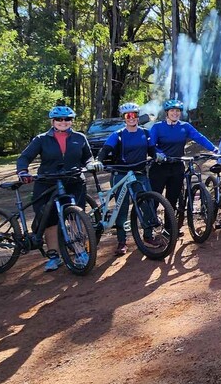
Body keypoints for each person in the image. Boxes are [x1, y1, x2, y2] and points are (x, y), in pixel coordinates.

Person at [16, 103, 94, 271]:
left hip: (73, 181)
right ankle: (53, 255)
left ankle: (80, 252)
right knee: (50, 219)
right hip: (47, 182)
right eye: (59, 119)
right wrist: (23, 172)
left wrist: (91, 164)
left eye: (67, 119)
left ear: (72, 121)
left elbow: (88, 157)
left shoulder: (80, 138)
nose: (63, 122)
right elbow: (25, 157)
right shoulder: (41, 139)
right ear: (52, 121)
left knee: (76, 217)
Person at [97, 101, 158, 256]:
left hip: (139, 173)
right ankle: (122, 242)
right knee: (121, 209)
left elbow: (152, 151)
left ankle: (148, 236)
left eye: (134, 115)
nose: (131, 118)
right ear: (123, 118)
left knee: (147, 204)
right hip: (121, 174)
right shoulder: (117, 135)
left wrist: (159, 156)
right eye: (128, 115)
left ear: (138, 117)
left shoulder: (145, 133)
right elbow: (105, 150)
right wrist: (98, 160)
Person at [149, 98, 218, 218]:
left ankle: (169, 229)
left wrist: (214, 149)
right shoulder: (157, 127)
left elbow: (199, 137)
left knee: (172, 200)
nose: (175, 113)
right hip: (160, 167)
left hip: (177, 166)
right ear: (167, 112)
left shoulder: (184, 126)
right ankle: (148, 230)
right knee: (154, 199)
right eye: (172, 111)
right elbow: (150, 145)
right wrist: (159, 153)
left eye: (177, 111)